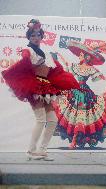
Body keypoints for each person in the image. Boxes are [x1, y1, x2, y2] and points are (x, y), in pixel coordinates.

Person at [1, 19, 79, 160]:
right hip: (35, 88)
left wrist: (67, 79)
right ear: (29, 37)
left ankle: (42, 150)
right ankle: (31, 151)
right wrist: (21, 62)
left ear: (42, 36)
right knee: (41, 120)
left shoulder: (46, 54)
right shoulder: (28, 50)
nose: (36, 38)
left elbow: (56, 70)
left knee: (53, 120)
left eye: (38, 35)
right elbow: (24, 60)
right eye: (33, 36)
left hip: (46, 88)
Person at [53, 41, 106, 149]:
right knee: (71, 115)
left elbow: (103, 78)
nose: (80, 56)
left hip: (85, 94)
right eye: (80, 54)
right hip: (74, 92)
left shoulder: (91, 69)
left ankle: (76, 139)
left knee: (82, 117)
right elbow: (67, 71)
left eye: (82, 54)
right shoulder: (74, 66)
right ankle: (71, 136)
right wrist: (59, 58)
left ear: (87, 57)